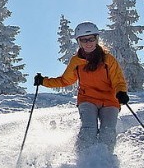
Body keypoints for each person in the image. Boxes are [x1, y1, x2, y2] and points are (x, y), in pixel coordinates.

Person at [34, 21, 129, 152]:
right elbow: (64, 81)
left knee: (108, 131)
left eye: (91, 39)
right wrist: (43, 81)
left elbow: (118, 80)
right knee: (89, 129)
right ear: (79, 42)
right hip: (87, 99)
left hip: (110, 100)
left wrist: (121, 93)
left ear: (97, 39)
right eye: (84, 40)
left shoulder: (108, 59)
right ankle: (83, 159)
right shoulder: (76, 61)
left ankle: (105, 161)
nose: (88, 43)